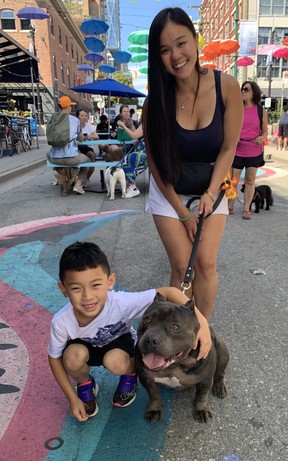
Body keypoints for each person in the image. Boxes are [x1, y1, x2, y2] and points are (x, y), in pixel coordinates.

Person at [142, 7, 243, 321]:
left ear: (196, 41)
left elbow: (228, 147)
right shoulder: (154, 101)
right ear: (157, 57)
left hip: (212, 184)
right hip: (169, 189)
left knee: (206, 264)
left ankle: (202, 334)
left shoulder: (227, 86)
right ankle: (177, 338)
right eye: (164, 50)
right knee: (182, 266)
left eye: (181, 43)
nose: (175, 55)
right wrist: (183, 212)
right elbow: (156, 164)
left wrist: (212, 194)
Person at [47, 241, 211, 422]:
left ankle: (130, 375)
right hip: (86, 348)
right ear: (63, 289)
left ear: (110, 281)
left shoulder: (121, 302)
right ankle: (85, 384)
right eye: (76, 288)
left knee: (115, 362)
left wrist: (201, 322)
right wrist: (71, 398)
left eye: (95, 285)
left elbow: (170, 291)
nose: (88, 296)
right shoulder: (61, 321)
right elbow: (54, 358)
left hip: (119, 345)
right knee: (71, 356)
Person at [228, 81, 268, 219]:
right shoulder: (236, 108)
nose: (243, 92)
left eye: (246, 89)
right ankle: (230, 205)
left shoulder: (260, 110)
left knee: (250, 180)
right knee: (233, 180)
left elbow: (265, 131)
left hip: (254, 150)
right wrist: (233, 137)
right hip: (237, 150)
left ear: (253, 92)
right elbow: (229, 127)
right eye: (242, 89)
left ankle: (246, 209)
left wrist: (262, 138)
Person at [48, 96, 91, 196]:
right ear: (67, 107)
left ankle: (63, 182)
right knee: (88, 160)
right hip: (71, 157)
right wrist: (84, 138)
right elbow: (80, 138)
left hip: (55, 158)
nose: (71, 108)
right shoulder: (75, 120)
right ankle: (79, 184)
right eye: (70, 106)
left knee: (60, 163)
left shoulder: (52, 118)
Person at [116, 121, 147, 198]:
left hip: (145, 152)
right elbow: (138, 135)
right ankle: (131, 186)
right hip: (148, 153)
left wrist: (123, 125)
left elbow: (133, 135)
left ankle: (133, 188)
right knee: (127, 159)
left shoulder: (147, 123)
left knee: (127, 160)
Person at [76, 109, 99, 184]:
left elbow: (96, 137)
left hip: (88, 148)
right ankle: (76, 178)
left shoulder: (90, 126)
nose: (84, 117)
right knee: (77, 155)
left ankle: (86, 179)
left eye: (85, 116)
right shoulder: (74, 126)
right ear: (77, 117)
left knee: (91, 155)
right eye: (82, 116)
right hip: (77, 147)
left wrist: (89, 136)